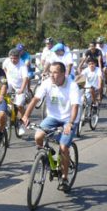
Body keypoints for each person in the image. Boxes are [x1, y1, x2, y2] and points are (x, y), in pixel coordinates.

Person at [22, 62, 81, 191]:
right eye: (50, 72)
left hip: (69, 118)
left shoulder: (72, 85)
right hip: (53, 117)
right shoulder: (47, 83)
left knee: (64, 147)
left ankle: (64, 178)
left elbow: (75, 107)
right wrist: (26, 116)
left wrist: (70, 123)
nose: (52, 75)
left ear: (63, 73)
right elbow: (35, 100)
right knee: (38, 136)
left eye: (55, 72)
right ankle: (44, 158)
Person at [2, 48, 29, 135]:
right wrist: (7, 76)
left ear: (19, 58)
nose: (13, 60)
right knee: (2, 97)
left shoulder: (22, 65)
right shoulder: (7, 61)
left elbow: (25, 78)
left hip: (20, 87)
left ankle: (22, 123)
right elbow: (4, 69)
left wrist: (21, 89)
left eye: (15, 58)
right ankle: (7, 115)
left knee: (20, 105)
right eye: (12, 58)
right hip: (10, 84)